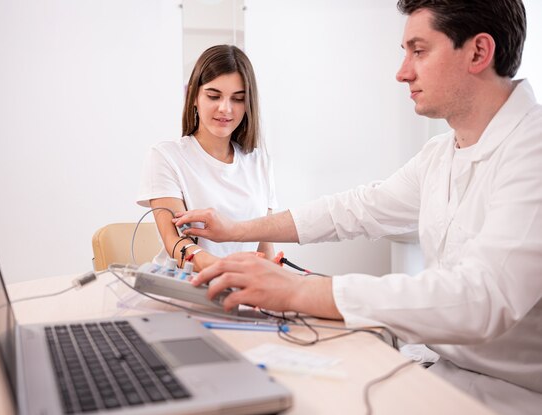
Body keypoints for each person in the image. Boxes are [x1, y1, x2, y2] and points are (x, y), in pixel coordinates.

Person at [173, 1, 542, 414]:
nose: (403, 72)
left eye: (418, 51)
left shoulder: (534, 152)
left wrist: (298, 290)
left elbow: (481, 298)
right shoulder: (441, 154)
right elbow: (354, 210)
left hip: (512, 394)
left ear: (478, 52)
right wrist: (234, 229)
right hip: (441, 367)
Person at [137, 45, 276, 271]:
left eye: (238, 99)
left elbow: (265, 246)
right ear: (193, 96)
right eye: (214, 96)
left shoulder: (259, 161)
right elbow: (175, 243)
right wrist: (227, 271)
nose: (225, 108)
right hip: (186, 287)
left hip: (244, 288)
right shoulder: (165, 157)